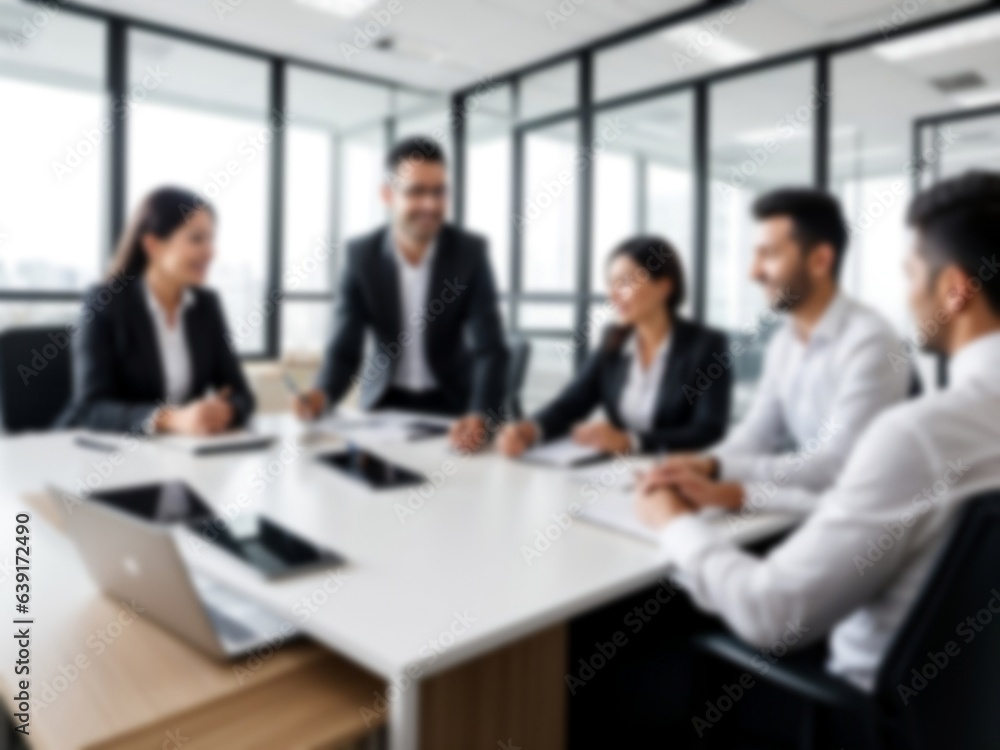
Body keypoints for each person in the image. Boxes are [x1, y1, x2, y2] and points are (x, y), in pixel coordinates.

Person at [637, 170, 1000, 691]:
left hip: (867, 709)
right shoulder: (787, 344)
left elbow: (772, 614)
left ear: (954, 290)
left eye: (910, 272)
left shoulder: (912, 424)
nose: (752, 272)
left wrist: (670, 520)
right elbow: (896, 509)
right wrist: (717, 475)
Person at [641, 188, 910, 514]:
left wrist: (716, 470)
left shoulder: (870, 342)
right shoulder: (783, 342)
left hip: (867, 526)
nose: (753, 272)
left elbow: (835, 464)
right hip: (812, 508)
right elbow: (756, 434)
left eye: (768, 255)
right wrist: (702, 464)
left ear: (820, 260)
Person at [294, 136, 507, 453]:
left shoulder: (469, 254)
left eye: (438, 192)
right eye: (416, 191)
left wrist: (480, 414)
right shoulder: (360, 257)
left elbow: (491, 350)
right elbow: (344, 350)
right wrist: (321, 395)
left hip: (454, 406)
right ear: (387, 195)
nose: (431, 205)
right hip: (384, 404)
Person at [499, 236, 730, 457]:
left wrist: (630, 441)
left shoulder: (705, 346)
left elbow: (708, 430)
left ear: (664, 287)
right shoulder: (614, 341)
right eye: (611, 284)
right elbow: (570, 405)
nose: (613, 295)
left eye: (625, 283)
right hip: (609, 473)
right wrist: (529, 430)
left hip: (673, 474)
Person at [62, 187, 254, 435]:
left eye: (211, 240)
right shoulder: (105, 302)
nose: (210, 252)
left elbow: (241, 393)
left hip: (175, 453)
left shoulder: (207, 305)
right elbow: (91, 408)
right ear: (153, 245)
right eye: (196, 239)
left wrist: (226, 411)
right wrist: (170, 419)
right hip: (99, 452)